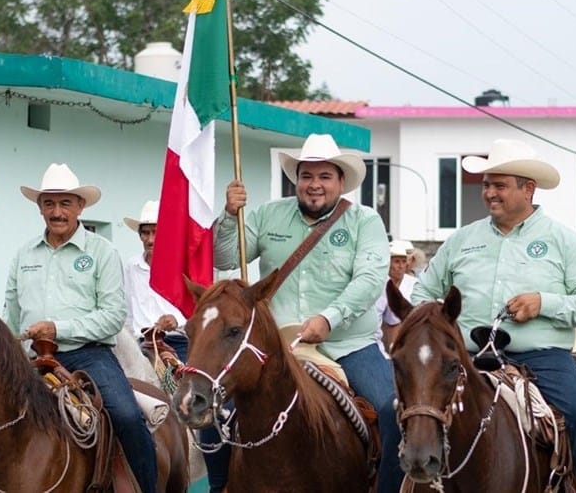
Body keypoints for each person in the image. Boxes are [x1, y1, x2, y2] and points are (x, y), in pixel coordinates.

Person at [211, 133, 402, 493]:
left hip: (348, 344)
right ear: (296, 180)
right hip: (275, 347)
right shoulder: (268, 213)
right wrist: (228, 215)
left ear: (341, 182)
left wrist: (329, 318)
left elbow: (369, 278)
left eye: (324, 177)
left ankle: (387, 486)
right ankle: (221, 485)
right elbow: (225, 258)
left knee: (392, 410)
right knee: (212, 408)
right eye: (306, 176)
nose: (314, 185)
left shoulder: (365, 221)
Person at [411, 138, 576, 492]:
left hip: (542, 358)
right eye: (486, 185)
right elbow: (422, 294)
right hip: (464, 357)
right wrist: (435, 325)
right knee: (409, 412)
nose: (489, 193)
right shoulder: (461, 240)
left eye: (499, 185)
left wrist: (544, 303)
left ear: (528, 188)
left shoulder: (563, 240)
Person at [2, 163, 157, 493]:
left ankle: (148, 486)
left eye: (65, 204)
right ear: (40, 206)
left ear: (80, 206)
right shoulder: (23, 254)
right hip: (30, 361)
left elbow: (114, 317)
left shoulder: (102, 252)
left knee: (128, 416)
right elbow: (11, 316)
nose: (57, 212)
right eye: (49, 204)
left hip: (89, 358)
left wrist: (58, 329)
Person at [123, 200, 188, 362]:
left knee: (189, 383)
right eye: (145, 233)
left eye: (155, 232)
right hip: (141, 343)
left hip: (176, 340)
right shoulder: (132, 266)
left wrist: (177, 321)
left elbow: (197, 309)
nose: (150, 240)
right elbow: (128, 311)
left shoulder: (182, 267)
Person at [375, 239, 417, 352]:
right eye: (397, 261)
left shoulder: (415, 283)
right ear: (388, 263)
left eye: (404, 262)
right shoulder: (380, 284)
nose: (401, 266)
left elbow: (393, 322)